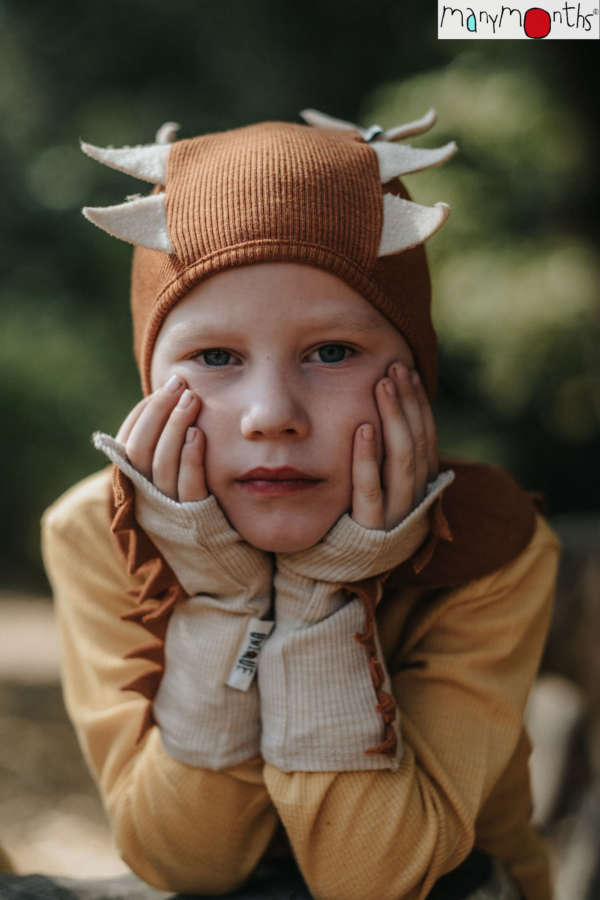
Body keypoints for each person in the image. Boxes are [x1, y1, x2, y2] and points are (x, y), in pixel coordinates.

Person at [40, 107, 561, 900]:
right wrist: (222, 601)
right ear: (151, 383)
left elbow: (377, 877)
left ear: (414, 376)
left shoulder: (493, 543)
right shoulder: (96, 533)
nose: (271, 413)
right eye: (215, 356)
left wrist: (322, 596)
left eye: (332, 352)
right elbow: (184, 862)